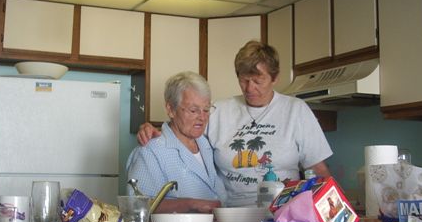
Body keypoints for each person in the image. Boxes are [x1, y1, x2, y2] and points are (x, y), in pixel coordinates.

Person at [138, 40, 333, 207]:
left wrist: (335, 208)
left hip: (283, 212)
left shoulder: (295, 110)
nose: (250, 88)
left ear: (275, 78)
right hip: (230, 214)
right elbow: (186, 130)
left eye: (258, 81)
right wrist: (155, 130)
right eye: (244, 80)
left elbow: (319, 170)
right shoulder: (220, 110)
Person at [126, 71, 226, 213]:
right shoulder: (150, 151)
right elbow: (136, 207)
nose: (202, 117)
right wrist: (190, 204)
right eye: (193, 110)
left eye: (206, 110)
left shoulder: (207, 144)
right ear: (171, 109)